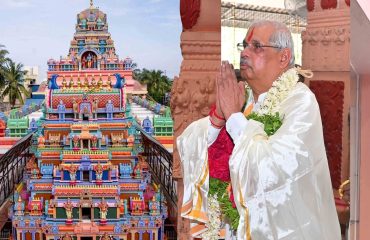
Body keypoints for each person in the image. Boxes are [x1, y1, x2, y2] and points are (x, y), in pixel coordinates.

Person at [177, 20, 341, 239]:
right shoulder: (242, 100)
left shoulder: (300, 101)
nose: (244, 52)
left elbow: (274, 170)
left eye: (256, 47)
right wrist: (219, 116)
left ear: (283, 57)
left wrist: (233, 117)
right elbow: (191, 143)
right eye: (244, 45)